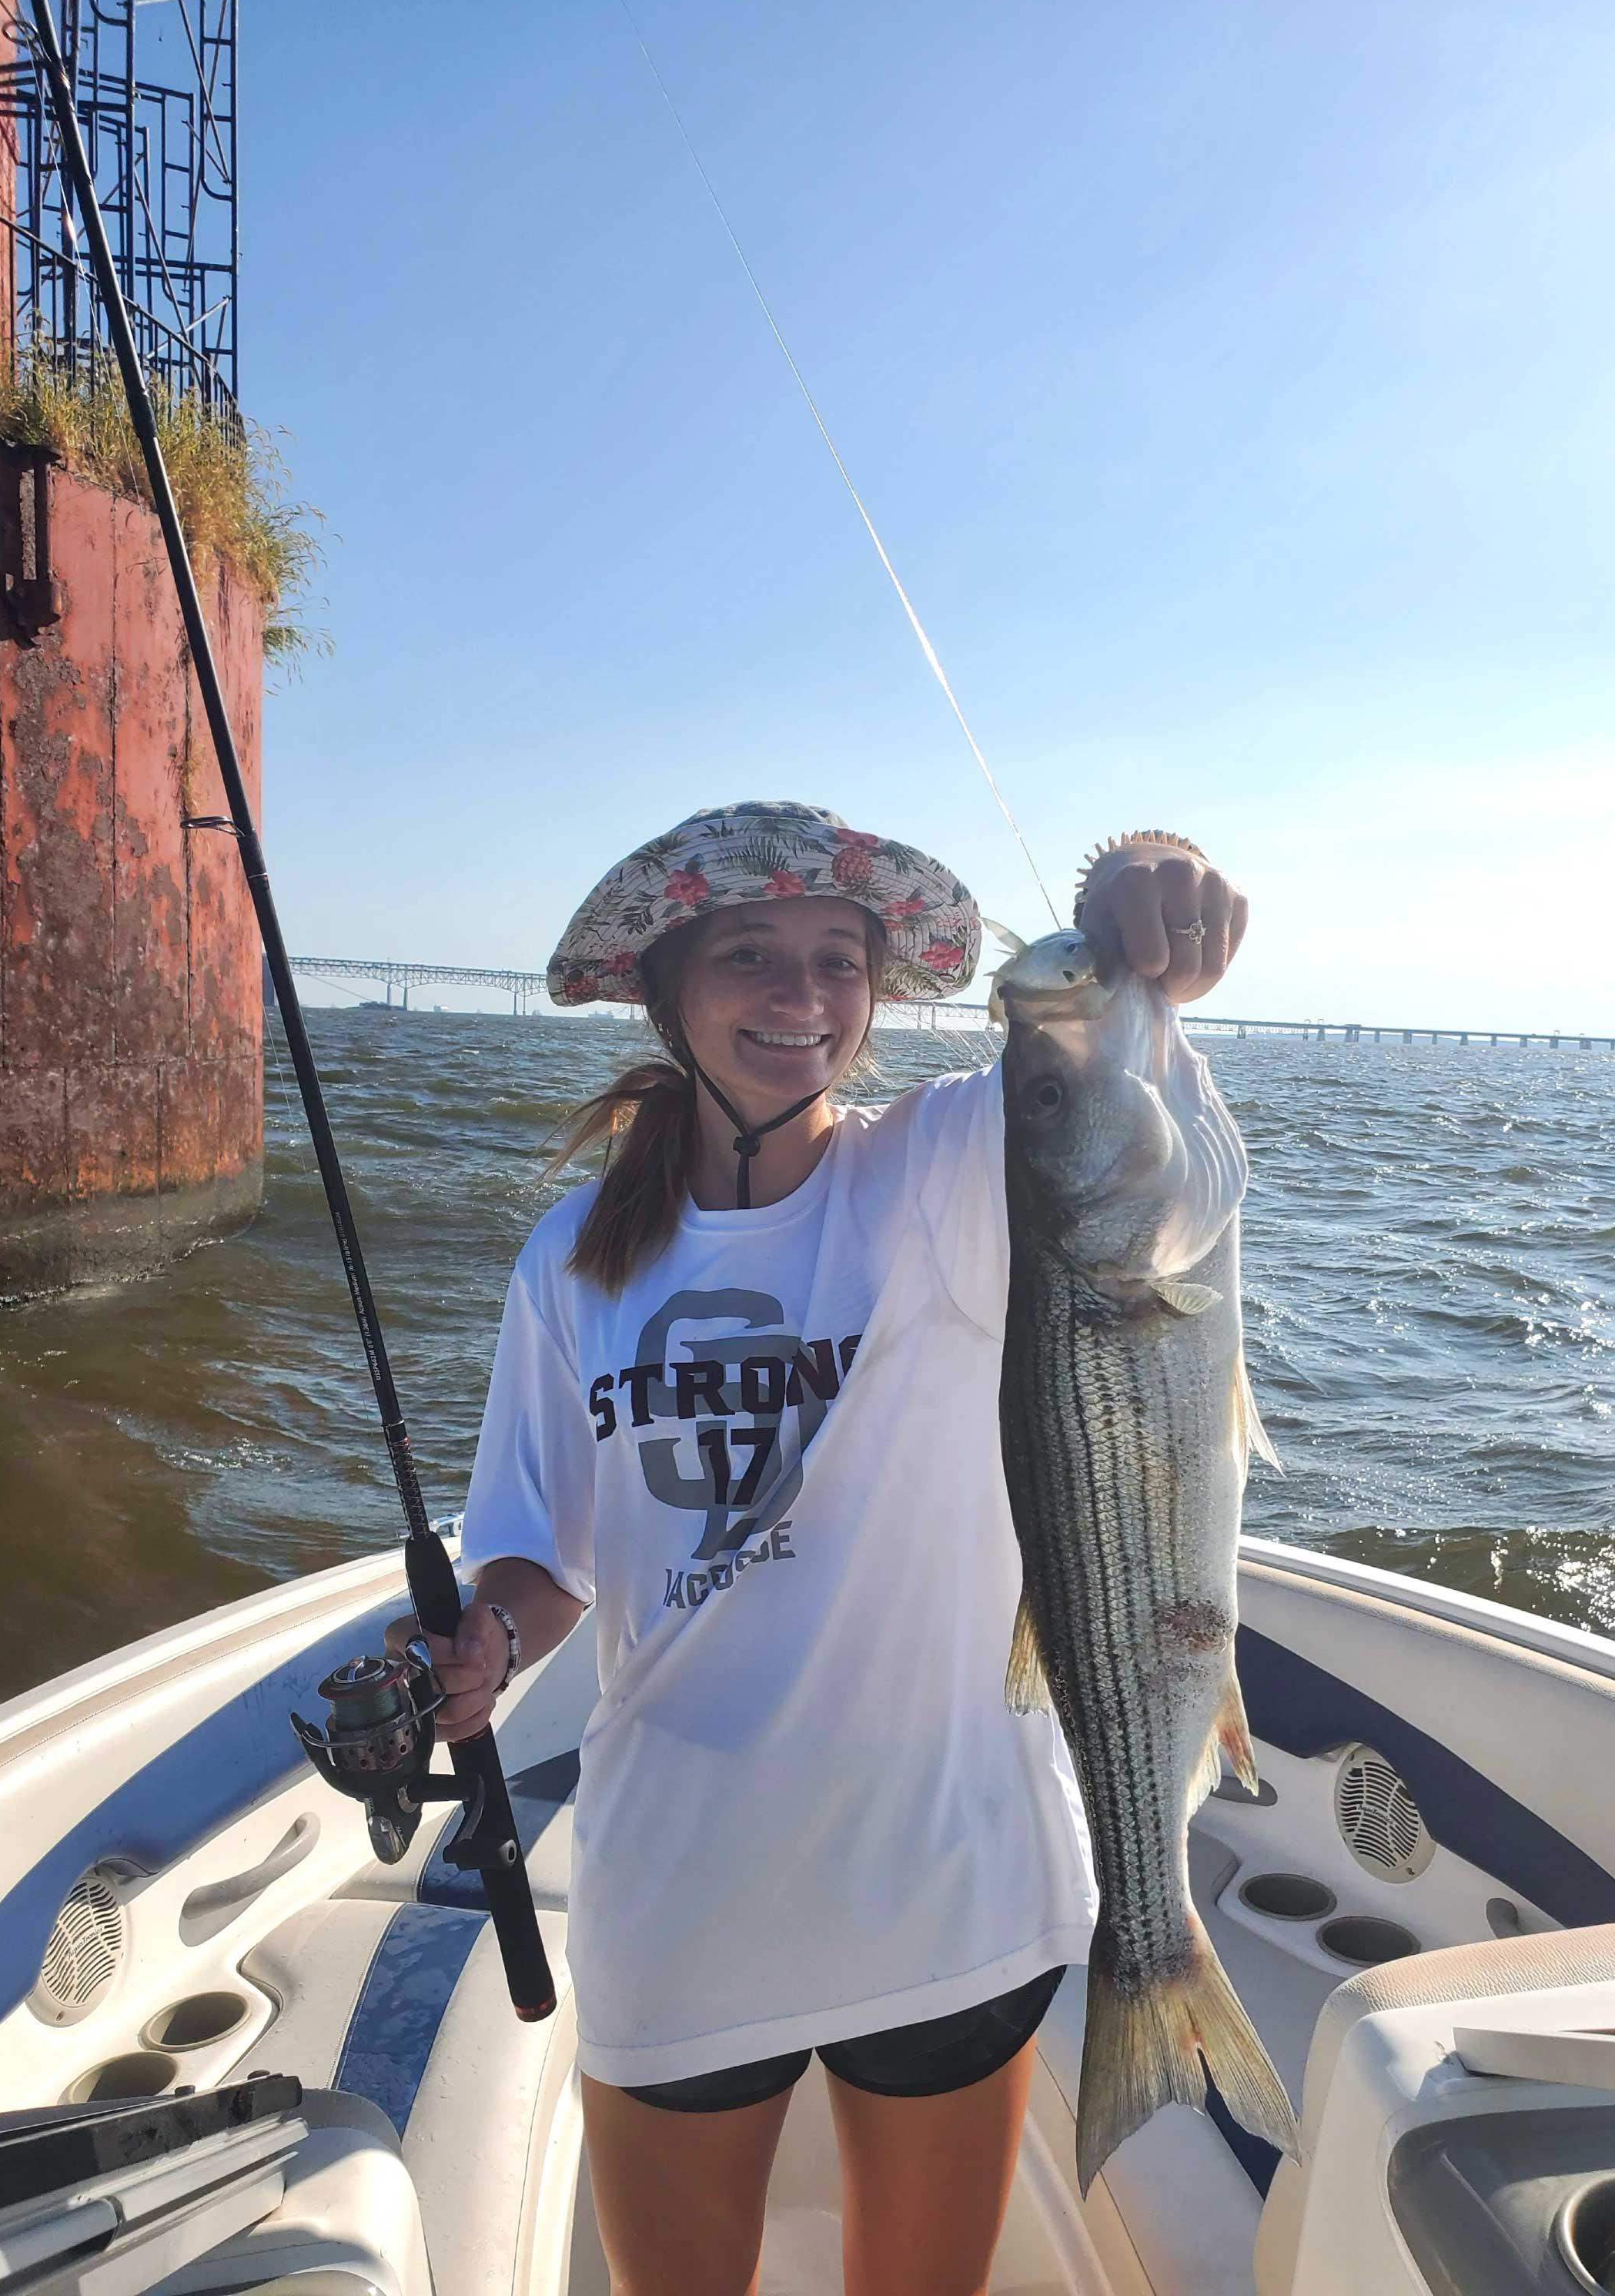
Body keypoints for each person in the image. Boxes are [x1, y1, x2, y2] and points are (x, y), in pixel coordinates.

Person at [392, 802, 1247, 2296]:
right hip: (681, 1898)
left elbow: (1087, 1072)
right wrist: (484, 1642)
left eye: (837, 959)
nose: (801, 996)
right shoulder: (573, 1258)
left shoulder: (936, 1170)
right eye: (750, 953)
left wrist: (1135, 883)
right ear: (668, 989)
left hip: (950, 1888)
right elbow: (540, 1555)